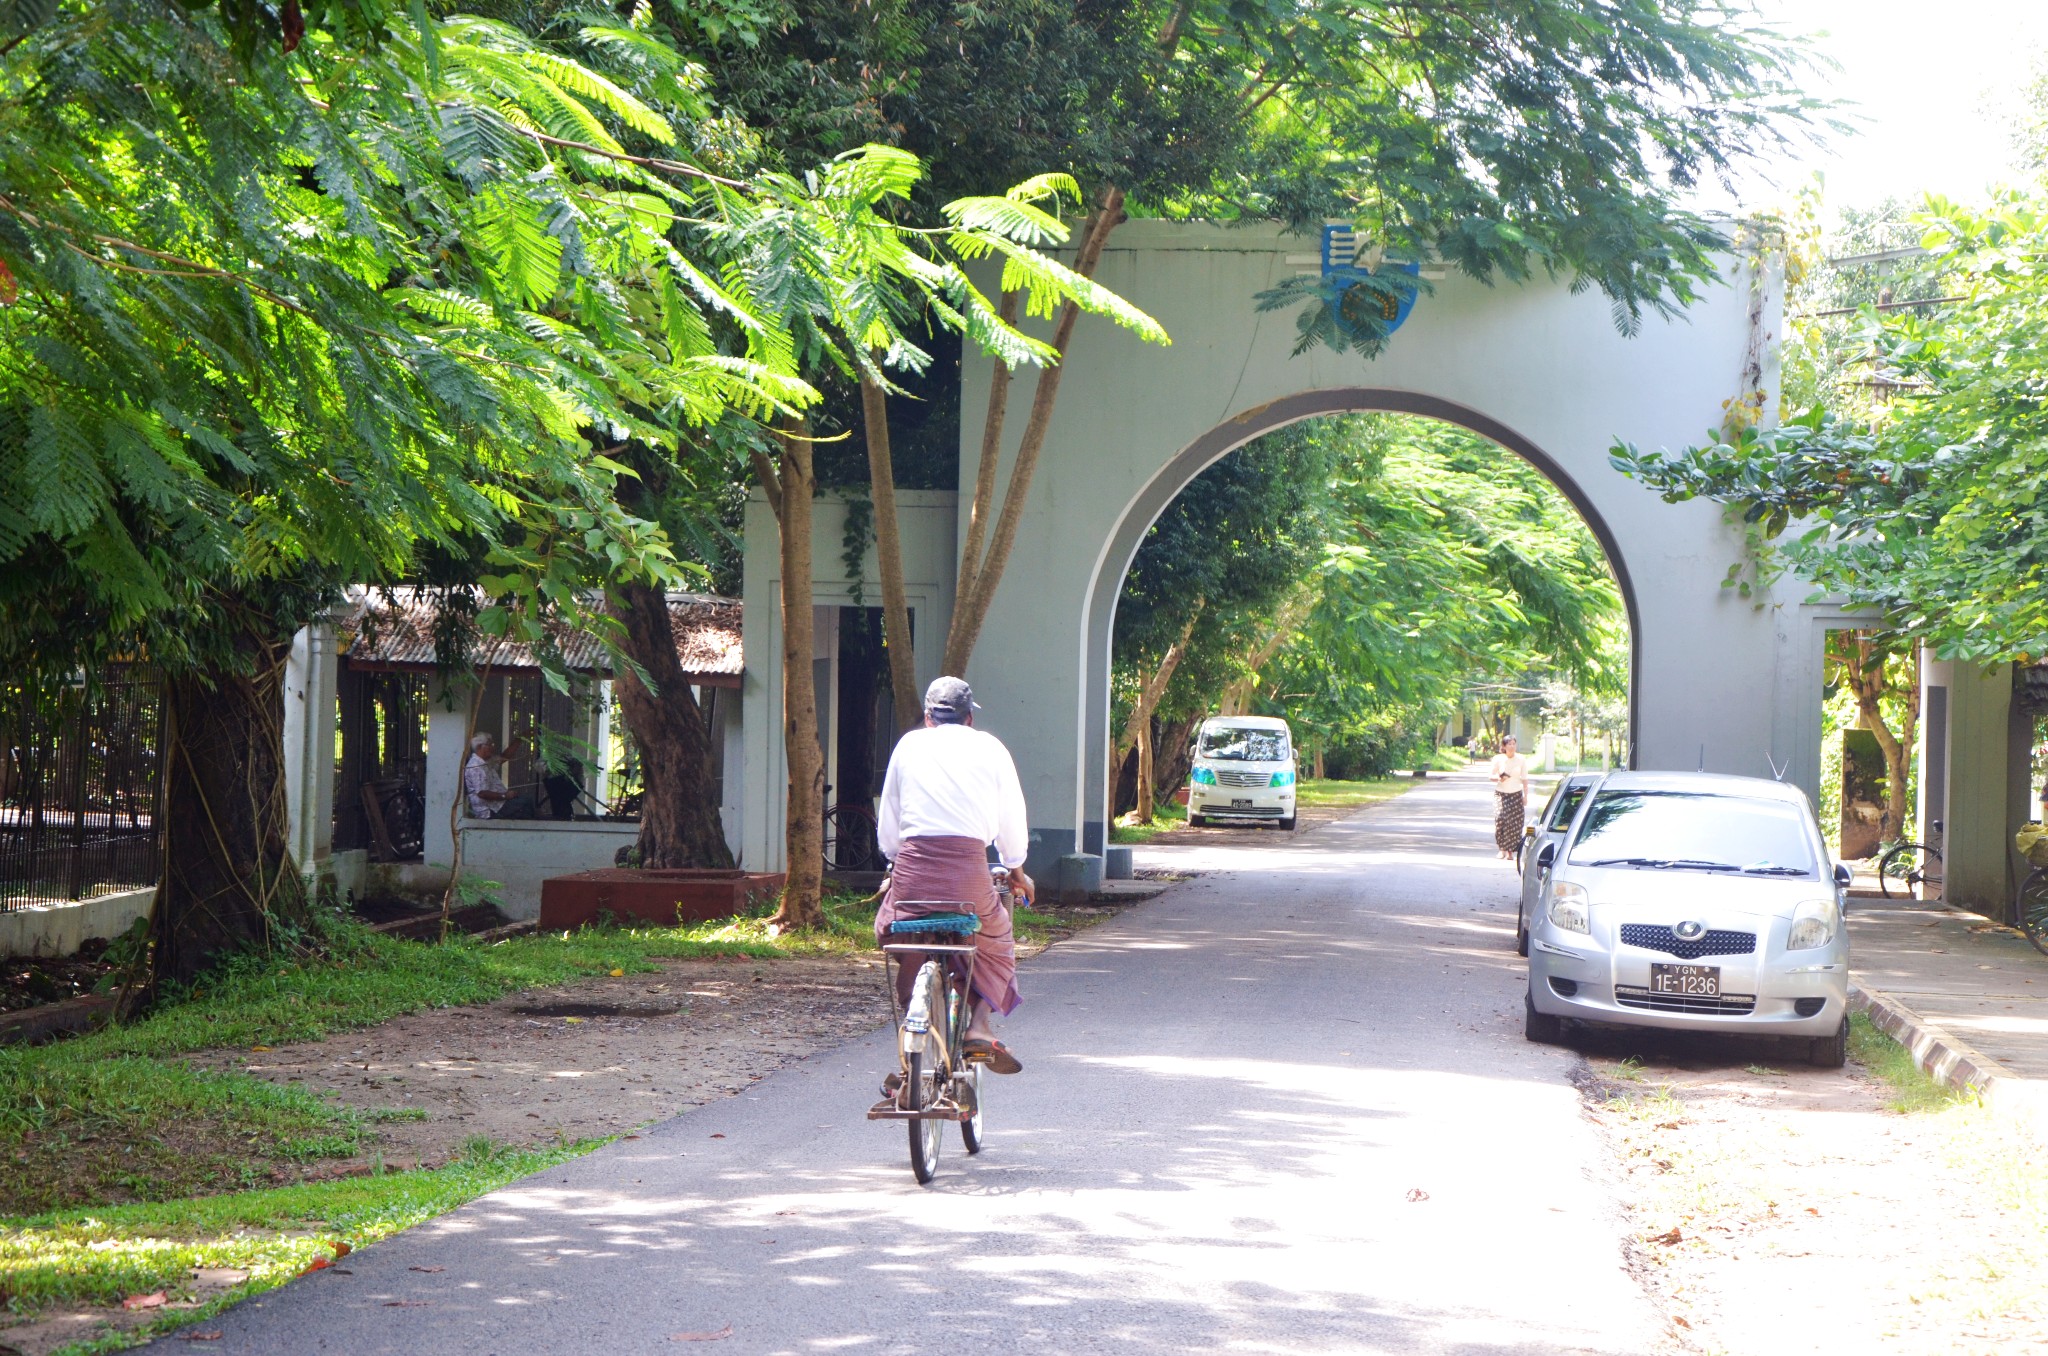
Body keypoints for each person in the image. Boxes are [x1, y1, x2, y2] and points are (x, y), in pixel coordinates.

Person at [873, 675, 1036, 1077]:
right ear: (968, 719)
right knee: (997, 938)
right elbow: (1011, 818)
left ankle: (908, 1063)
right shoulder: (990, 747)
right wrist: (1016, 868)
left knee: (906, 933)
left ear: (928, 717)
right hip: (968, 874)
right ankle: (978, 1026)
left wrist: (896, 863)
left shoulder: (909, 745)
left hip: (912, 872)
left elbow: (890, 820)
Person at [463, 732, 534, 820]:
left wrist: (519, 739)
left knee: (527, 799)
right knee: (526, 802)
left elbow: (504, 757)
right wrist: (504, 796)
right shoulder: (476, 766)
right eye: (490, 745)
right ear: (479, 747)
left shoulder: (486, 762)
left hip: (499, 805)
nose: (493, 748)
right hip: (490, 811)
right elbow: (482, 793)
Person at [1489, 733, 1529, 860]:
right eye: (1509, 744)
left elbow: (1525, 779)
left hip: (1516, 794)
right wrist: (1499, 778)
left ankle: (1511, 851)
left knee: (1514, 823)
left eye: (1514, 744)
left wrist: (1526, 796)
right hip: (1501, 793)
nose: (1512, 746)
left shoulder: (1521, 759)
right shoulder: (1498, 759)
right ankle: (1502, 848)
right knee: (1500, 818)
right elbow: (1491, 776)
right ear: (1504, 746)